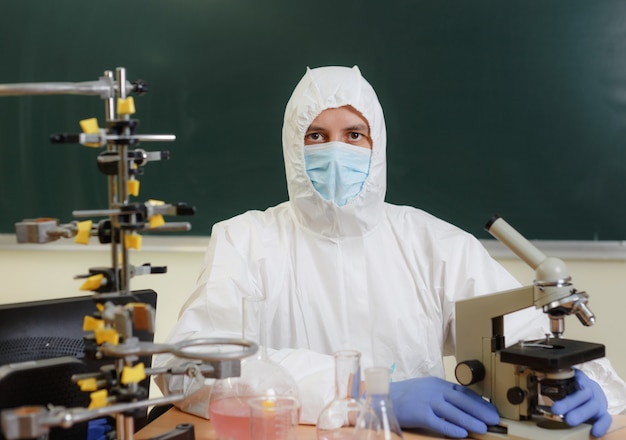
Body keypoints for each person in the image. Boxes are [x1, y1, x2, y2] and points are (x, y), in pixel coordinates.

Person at [155, 65, 626, 438]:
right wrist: (361, 394)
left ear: (376, 145)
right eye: (316, 136)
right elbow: (188, 369)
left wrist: (585, 388)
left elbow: (531, 336)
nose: (335, 151)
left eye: (354, 135)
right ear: (291, 148)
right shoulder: (245, 240)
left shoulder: (432, 244)